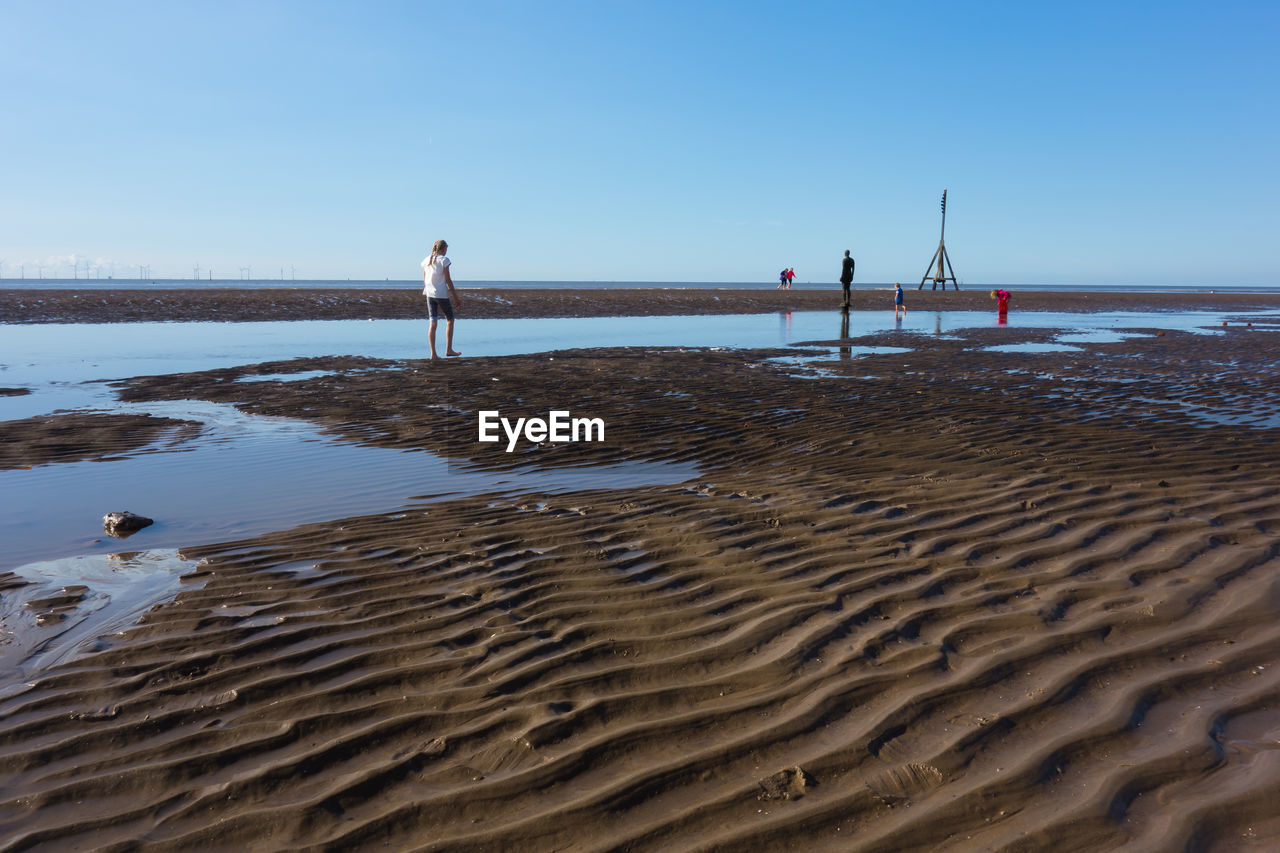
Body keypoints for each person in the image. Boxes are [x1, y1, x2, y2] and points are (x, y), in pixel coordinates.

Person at [421, 239, 462, 359]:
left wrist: (428, 287)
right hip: (441, 294)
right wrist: (455, 297)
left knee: (433, 323)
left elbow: (424, 278)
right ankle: (449, 349)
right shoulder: (444, 260)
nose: (446, 251)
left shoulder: (427, 260)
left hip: (429, 293)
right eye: (446, 249)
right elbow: (448, 280)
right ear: (443, 248)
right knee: (450, 319)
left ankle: (433, 354)